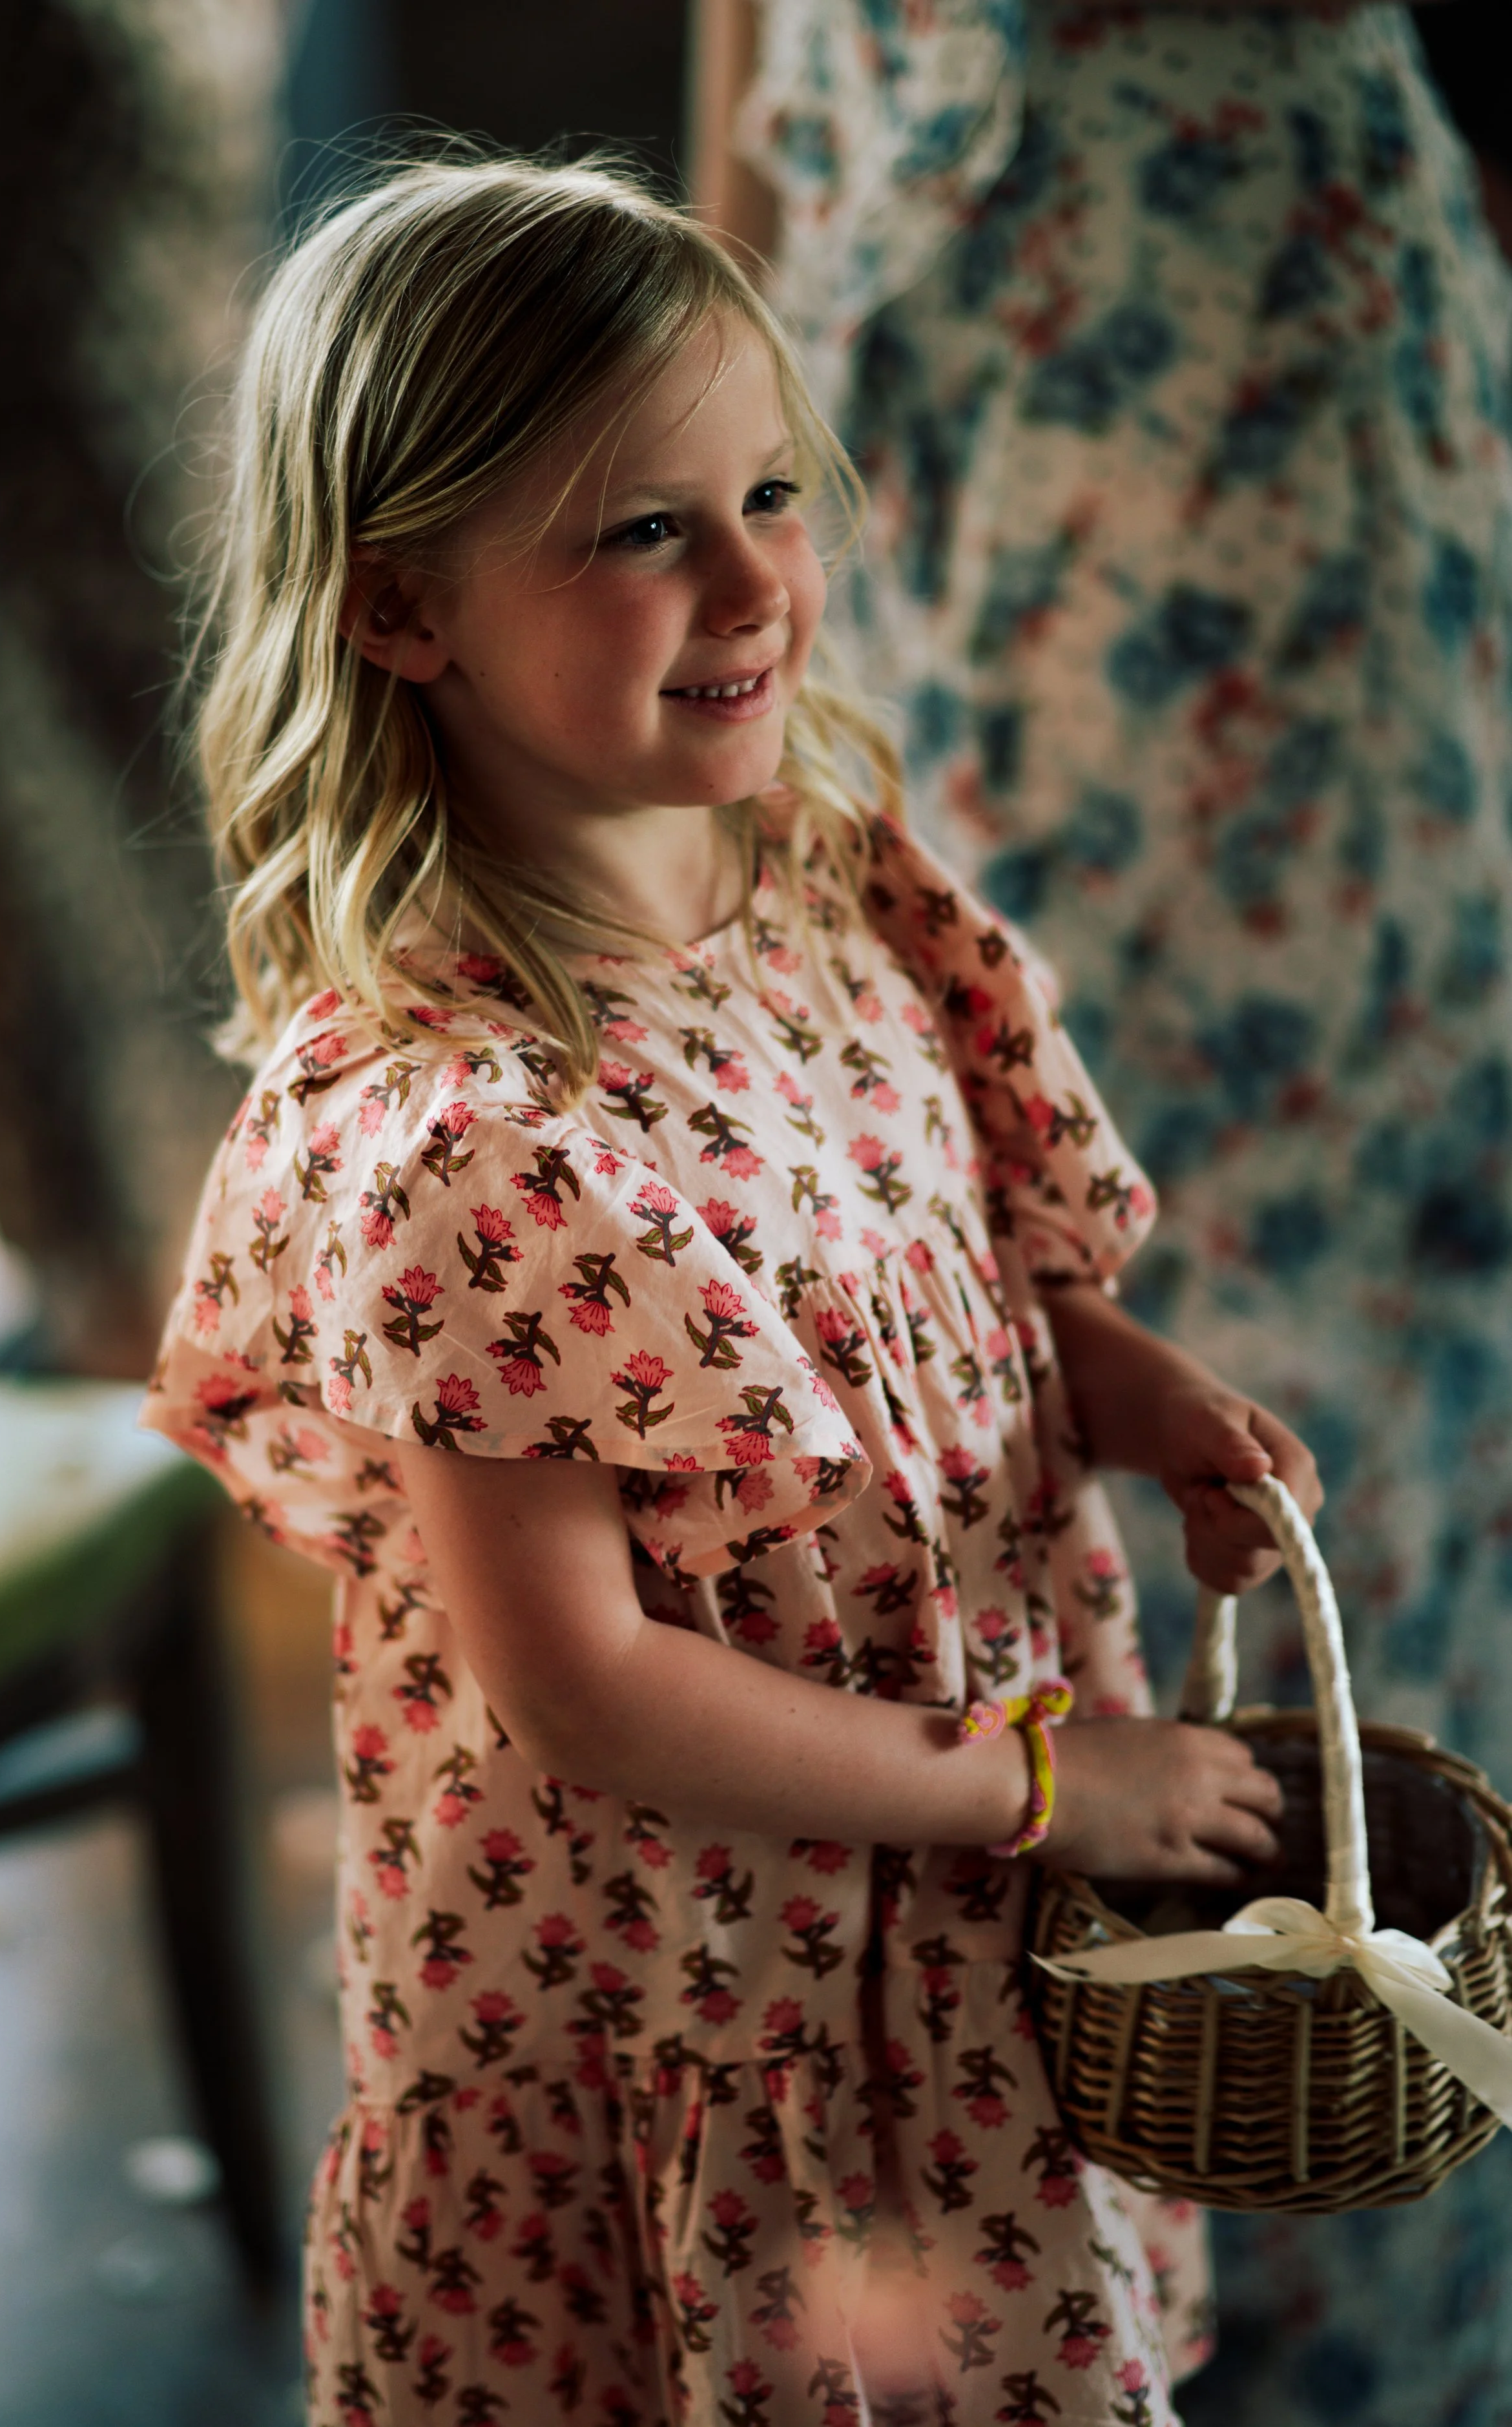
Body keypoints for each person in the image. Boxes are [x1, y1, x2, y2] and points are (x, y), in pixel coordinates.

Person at [143, 158, 1323, 2426]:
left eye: (766, 488)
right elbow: (584, 1686)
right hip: (714, 1997)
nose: (760, 576)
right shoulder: (462, 1139)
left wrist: (1110, 1372)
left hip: (943, 1931)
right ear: (403, 611)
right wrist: (1046, 1789)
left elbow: (944, 1258)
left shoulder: (818, 891)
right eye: (640, 530)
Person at [699, 2, 1512, 2414]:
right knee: (906, 1269)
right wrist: (701, 360)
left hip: (1254, 382)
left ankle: (1340, 2284)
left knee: (1317, 1357)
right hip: (861, 396)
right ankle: (1024, 2289)